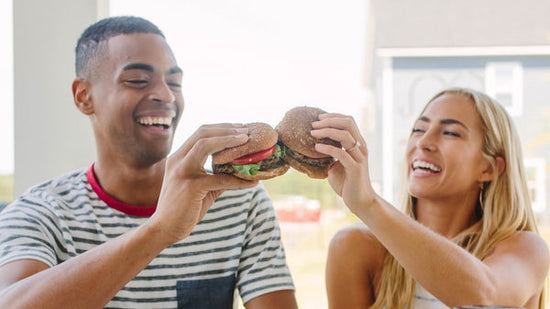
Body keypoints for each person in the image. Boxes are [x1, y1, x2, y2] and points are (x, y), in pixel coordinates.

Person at [0, 16, 297, 308]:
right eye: (138, 81)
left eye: (175, 82)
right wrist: (158, 231)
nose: (165, 94)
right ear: (83, 96)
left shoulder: (241, 201)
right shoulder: (39, 213)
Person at [311, 87, 549, 308]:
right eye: (418, 130)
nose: (423, 143)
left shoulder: (527, 249)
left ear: (489, 169)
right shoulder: (357, 246)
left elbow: (484, 297)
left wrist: (369, 204)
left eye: (450, 133)